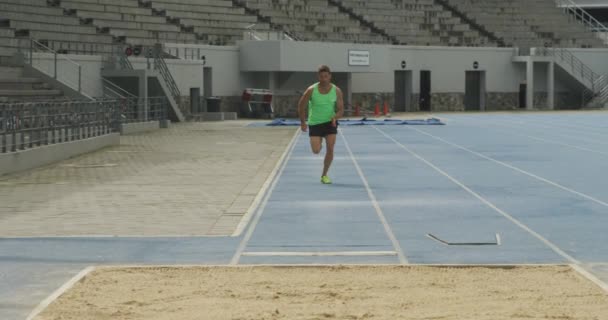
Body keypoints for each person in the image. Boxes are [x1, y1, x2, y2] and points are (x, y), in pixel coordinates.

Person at [297, 65, 344, 184]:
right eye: (321, 76)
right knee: (316, 150)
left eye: (326, 76)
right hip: (315, 123)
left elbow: (341, 109)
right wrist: (303, 122)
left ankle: (324, 175)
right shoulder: (311, 90)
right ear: (318, 77)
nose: (324, 79)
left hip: (330, 123)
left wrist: (335, 117)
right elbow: (301, 106)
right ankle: (319, 142)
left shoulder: (336, 90)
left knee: (331, 148)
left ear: (330, 76)